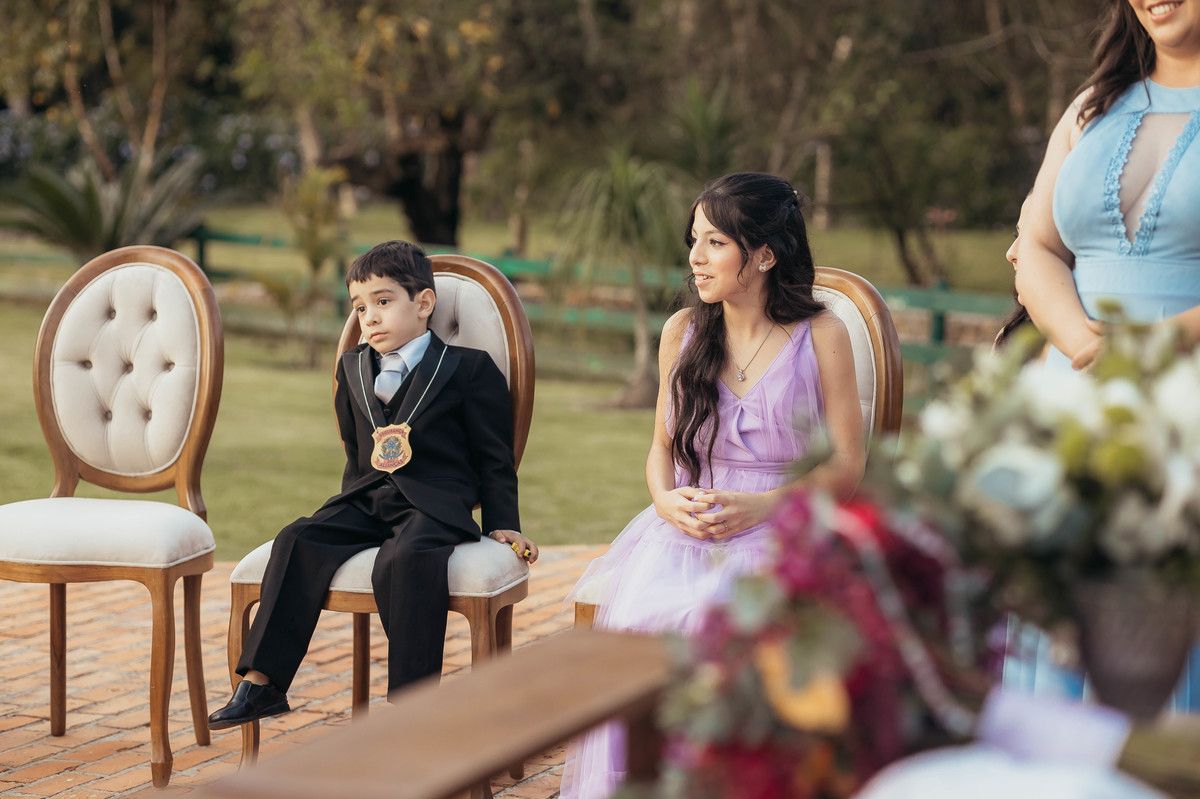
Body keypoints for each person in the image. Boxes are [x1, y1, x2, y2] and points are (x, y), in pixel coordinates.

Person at [559, 172, 866, 799]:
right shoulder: (683, 332)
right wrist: (665, 501)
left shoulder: (822, 335)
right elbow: (661, 449)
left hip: (784, 527)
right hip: (684, 527)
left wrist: (763, 505)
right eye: (693, 241)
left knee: (718, 624)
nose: (696, 258)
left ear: (764, 255)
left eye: (715, 243)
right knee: (646, 626)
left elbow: (849, 464)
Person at [207, 240, 538, 730]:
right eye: (360, 307)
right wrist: (341, 512)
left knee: (404, 559)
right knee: (298, 538)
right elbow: (355, 451)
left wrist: (503, 524)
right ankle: (261, 683)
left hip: (434, 505)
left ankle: (413, 703)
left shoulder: (468, 369)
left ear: (423, 303)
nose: (369, 317)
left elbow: (495, 458)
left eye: (383, 302)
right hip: (366, 498)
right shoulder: (351, 368)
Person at [1008, 0, 1200, 708]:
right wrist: (1088, 345)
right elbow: (1036, 244)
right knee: (1063, 625)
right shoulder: (1095, 105)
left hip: (1188, 411)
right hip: (1072, 404)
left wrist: (1156, 347)